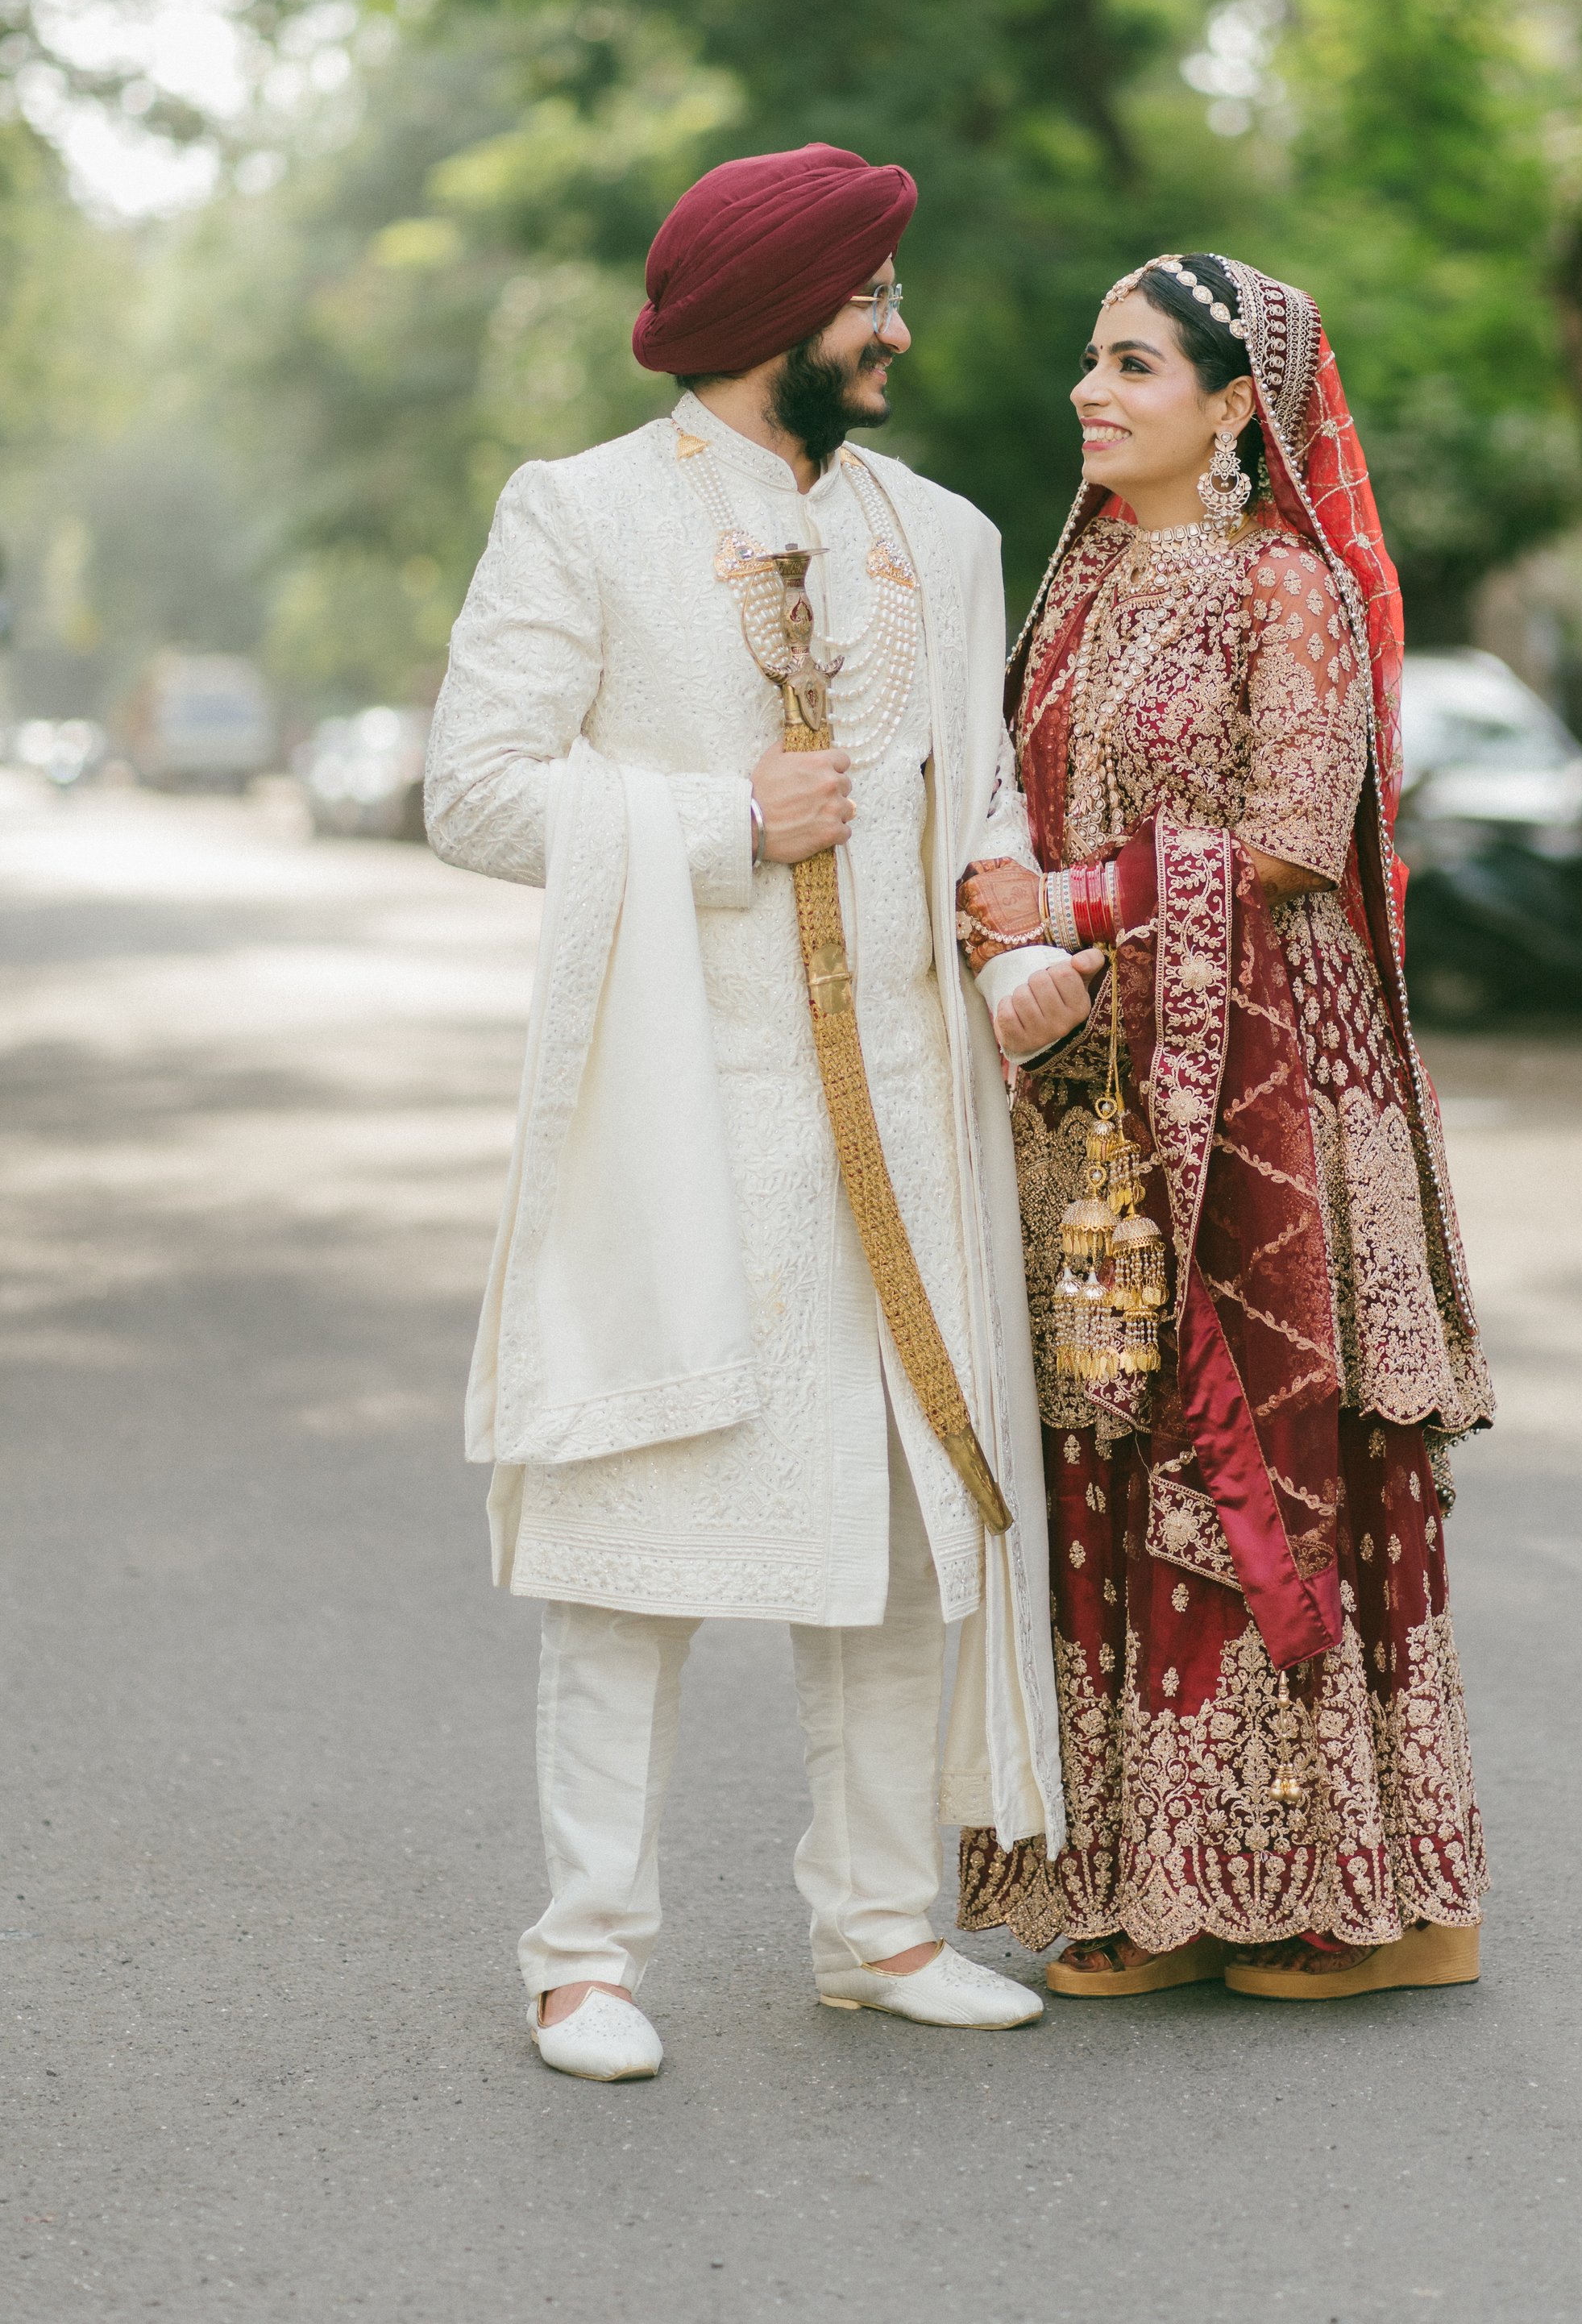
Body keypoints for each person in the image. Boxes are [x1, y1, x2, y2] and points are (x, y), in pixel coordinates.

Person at [426, 143, 1069, 2077]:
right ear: (770, 318)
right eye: (870, 295)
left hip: (901, 1111)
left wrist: (1002, 889)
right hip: (673, 1107)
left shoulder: (939, 538)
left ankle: (877, 1928)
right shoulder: (581, 518)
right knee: (635, 1528)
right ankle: (585, 1957)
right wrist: (717, 825)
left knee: (892, 1532)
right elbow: (471, 789)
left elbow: (977, 800)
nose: (897, 325)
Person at [956, 251, 1493, 2000]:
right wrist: (1014, 920)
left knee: (1276, 1441)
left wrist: (1056, 901)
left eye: (1127, 365)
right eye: (1087, 362)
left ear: (1229, 405)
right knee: (1110, 1425)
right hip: (1108, 1061)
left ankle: (1356, 1899)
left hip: (1276, 1076)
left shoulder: (1287, 591)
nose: (1086, 394)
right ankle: (1152, 1883)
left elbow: (1276, 840)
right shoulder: (1083, 589)